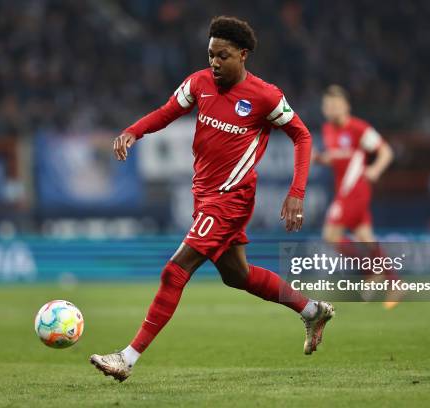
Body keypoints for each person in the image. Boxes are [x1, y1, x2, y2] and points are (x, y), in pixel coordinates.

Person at [90, 16, 334, 382]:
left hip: (231, 200)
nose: (215, 63)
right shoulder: (198, 83)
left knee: (174, 271)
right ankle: (312, 310)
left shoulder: (265, 96)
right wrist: (133, 131)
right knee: (238, 276)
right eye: (210, 55)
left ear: (243, 54)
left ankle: (127, 357)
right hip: (204, 197)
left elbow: (302, 136)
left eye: (222, 56)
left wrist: (296, 191)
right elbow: (166, 113)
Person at [312, 85, 398, 308]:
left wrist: (375, 170)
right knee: (366, 236)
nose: (331, 109)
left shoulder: (359, 128)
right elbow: (337, 157)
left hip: (355, 189)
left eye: (335, 105)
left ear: (346, 106)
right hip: (343, 189)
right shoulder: (328, 129)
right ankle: (394, 283)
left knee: (330, 235)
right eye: (327, 105)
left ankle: (371, 272)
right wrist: (320, 159)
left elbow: (386, 151)